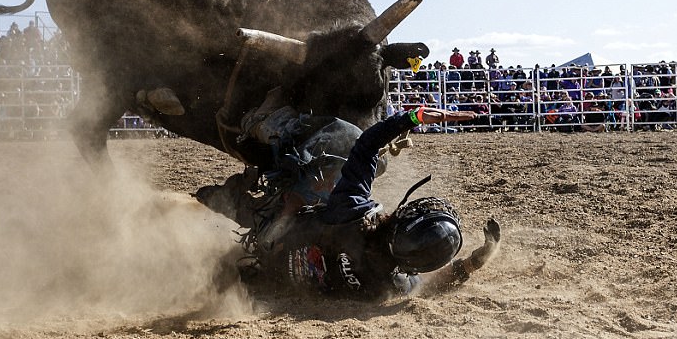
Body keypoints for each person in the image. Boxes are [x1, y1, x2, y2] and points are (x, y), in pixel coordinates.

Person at [197, 97, 500, 298]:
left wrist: (413, 117)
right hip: (271, 282)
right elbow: (433, 285)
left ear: (400, 223)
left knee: (303, 176)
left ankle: (259, 124)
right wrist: (478, 260)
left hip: (272, 235)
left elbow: (367, 143)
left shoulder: (351, 209)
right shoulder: (390, 284)